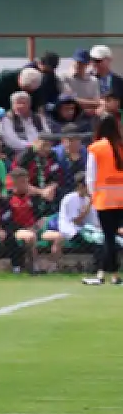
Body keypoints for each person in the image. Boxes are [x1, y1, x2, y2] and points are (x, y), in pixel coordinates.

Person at [82, 112, 123, 285]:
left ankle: (103, 275)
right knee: (111, 237)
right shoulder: (120, 146)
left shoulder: (96, 148)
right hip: (121, 198)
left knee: (109, 237)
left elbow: (91, 176)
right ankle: (112, 274)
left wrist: (93, 195)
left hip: (105, 199)